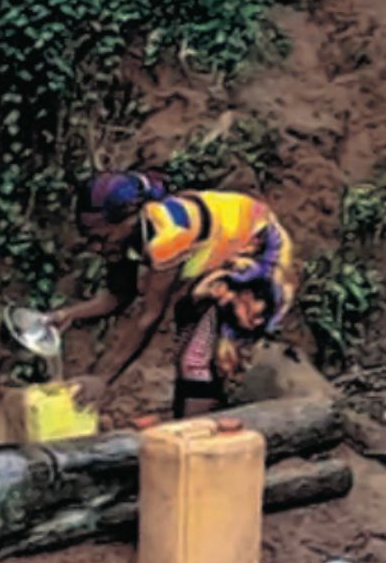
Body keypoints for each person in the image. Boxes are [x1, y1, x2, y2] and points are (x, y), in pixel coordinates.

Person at [51, 171, 295, 418]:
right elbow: (118, 296)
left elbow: (149, 316)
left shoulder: (168, 237)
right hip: (220, 256)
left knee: (198, 357)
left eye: (101, 238)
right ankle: (195, 421)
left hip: (258, 252)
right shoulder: (123, 238)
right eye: (90, 239)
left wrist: (102, 378)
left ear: (128, 221)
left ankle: (201, 435)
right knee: (191, 336)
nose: (96, 247)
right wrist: (67, 314)